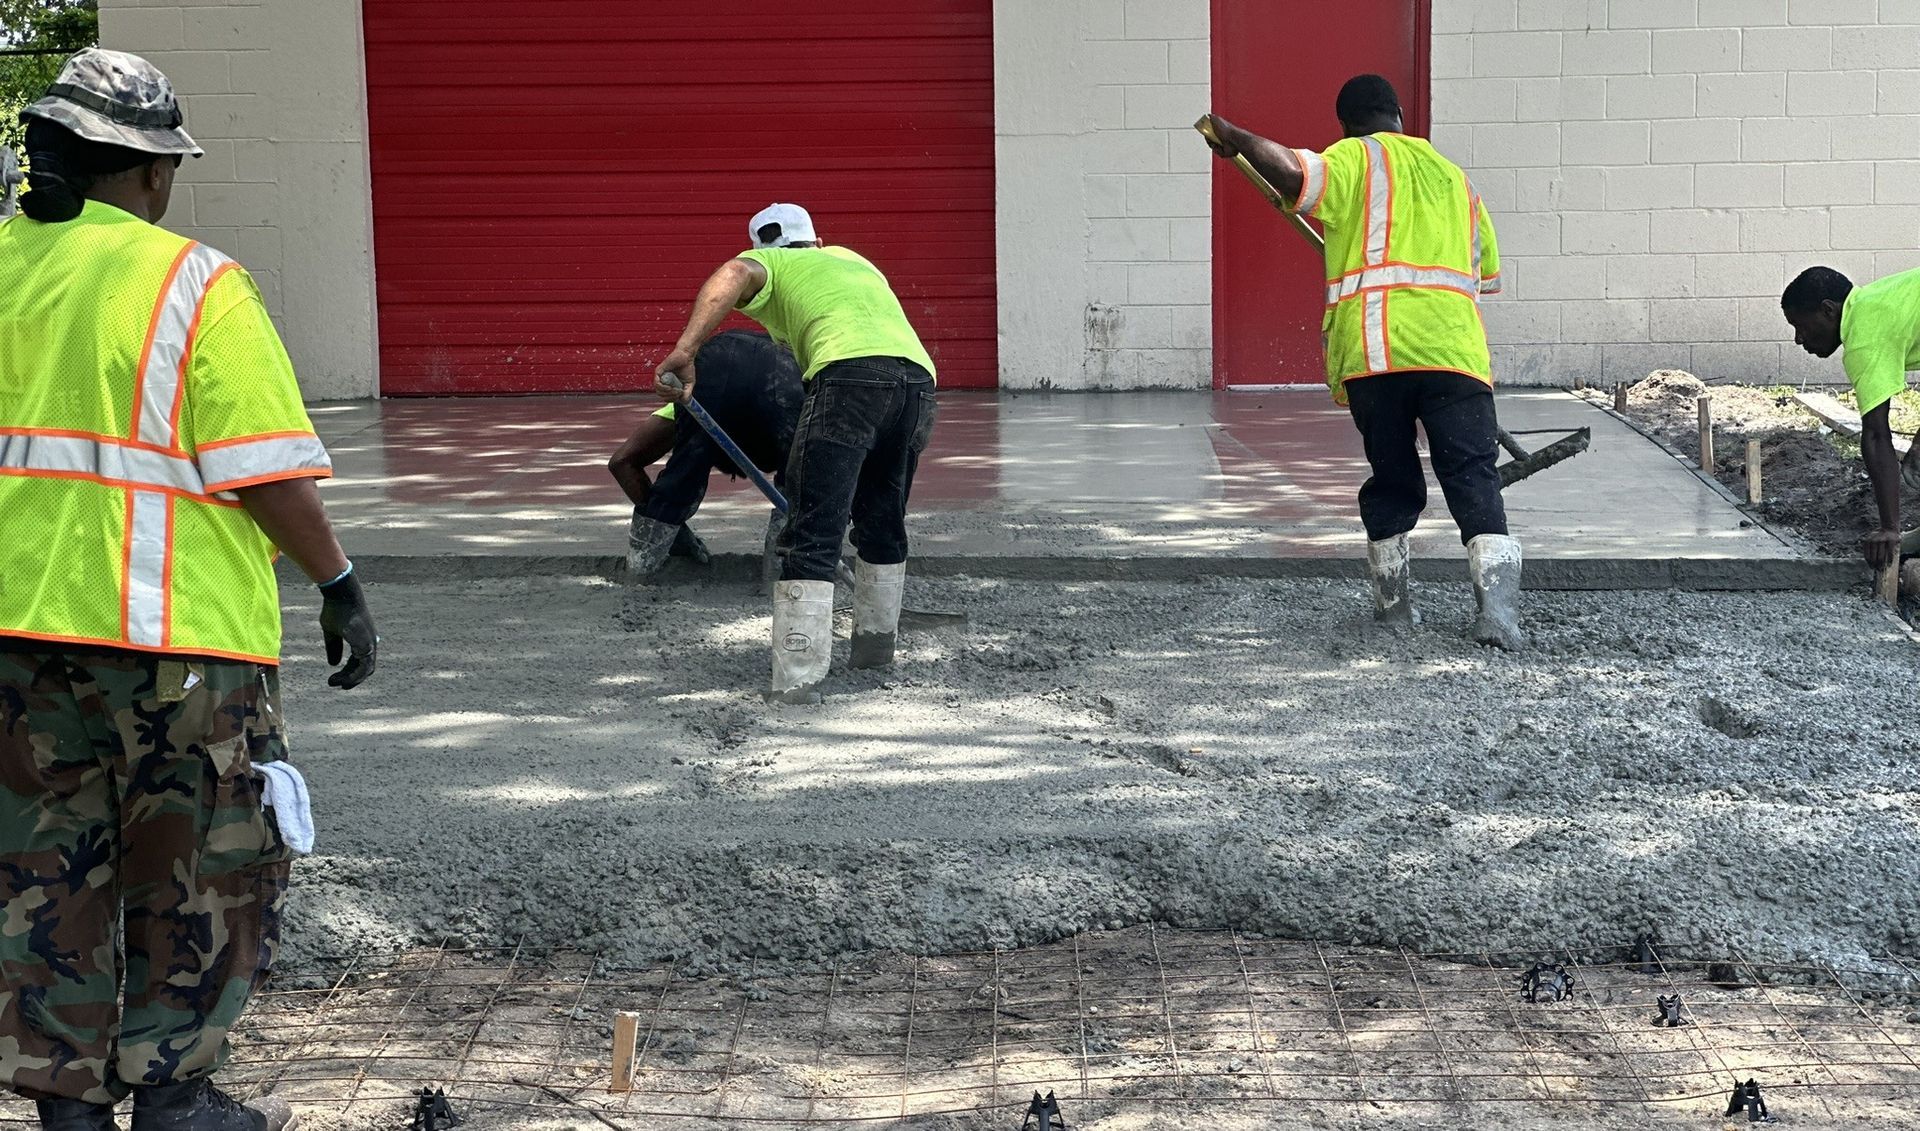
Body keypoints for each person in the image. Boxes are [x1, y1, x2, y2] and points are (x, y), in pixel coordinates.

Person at [0, 49, 377, 1131]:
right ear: (153, 172)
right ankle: (173, 1095)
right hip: (176, 644)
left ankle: (65, 1106)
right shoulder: (193, 281)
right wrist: (338, 583)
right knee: (206, 866)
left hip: (19, 643)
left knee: (44, 877)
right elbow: (262, 469)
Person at [1204, 74, 1524, 649]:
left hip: (1377, 356)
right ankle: (1497, 617)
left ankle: (1394, 611)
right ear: (1400, 114)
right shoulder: (1458, 181)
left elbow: (1295, 172)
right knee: (1474, 477)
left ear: (1345, 124)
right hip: (1455, 355)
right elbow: (1485, 276)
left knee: (1394, 481)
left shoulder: (1355, 158)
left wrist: (1238, 137)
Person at [654, 203, 938, 703]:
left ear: (766, 250)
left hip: (848, 376)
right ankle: (875, 649)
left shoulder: (771, 266)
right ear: (818, 241)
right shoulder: (854, 261)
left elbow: (735, 272)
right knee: (883, 519)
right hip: (917, 381)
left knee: (811, 528)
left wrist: (686, 350)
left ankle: (798, 678)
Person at [609, 329, 804, 579]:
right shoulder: (696, 403)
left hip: (724, 369)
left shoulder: (696, 403)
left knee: (682, 478)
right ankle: (783, 581)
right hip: (777, 376)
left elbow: (622, 462)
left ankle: (639, 575)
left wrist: (669, 526)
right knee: (801, 491)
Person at [1781, 265, 1920, 571]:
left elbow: (1875, 434)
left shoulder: (1864, 336)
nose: (1798, 339)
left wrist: (1889, 528)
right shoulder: (1873, 304)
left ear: (1828, 310)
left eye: (1800, 325)